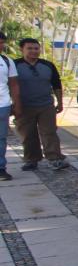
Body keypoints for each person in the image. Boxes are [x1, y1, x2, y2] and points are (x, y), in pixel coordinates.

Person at [14, 38, 68, 171]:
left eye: (36, 48)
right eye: (30, 48)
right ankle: (31, 160)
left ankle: (54, 158)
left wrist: (60, 102)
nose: (34, 51)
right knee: (27, 134)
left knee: (49, 132)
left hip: (46, 105)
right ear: (22, 49)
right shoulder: (14, 65)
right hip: (24, 106)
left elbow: (56, 84)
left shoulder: (48, 65)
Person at [0, 32, 21, 181]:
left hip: (3, 105)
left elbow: (13, 84)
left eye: (1, 42)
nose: (0, 45)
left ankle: (1, 168)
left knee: (1, 139)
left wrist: (17, 104)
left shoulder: (7, 61)